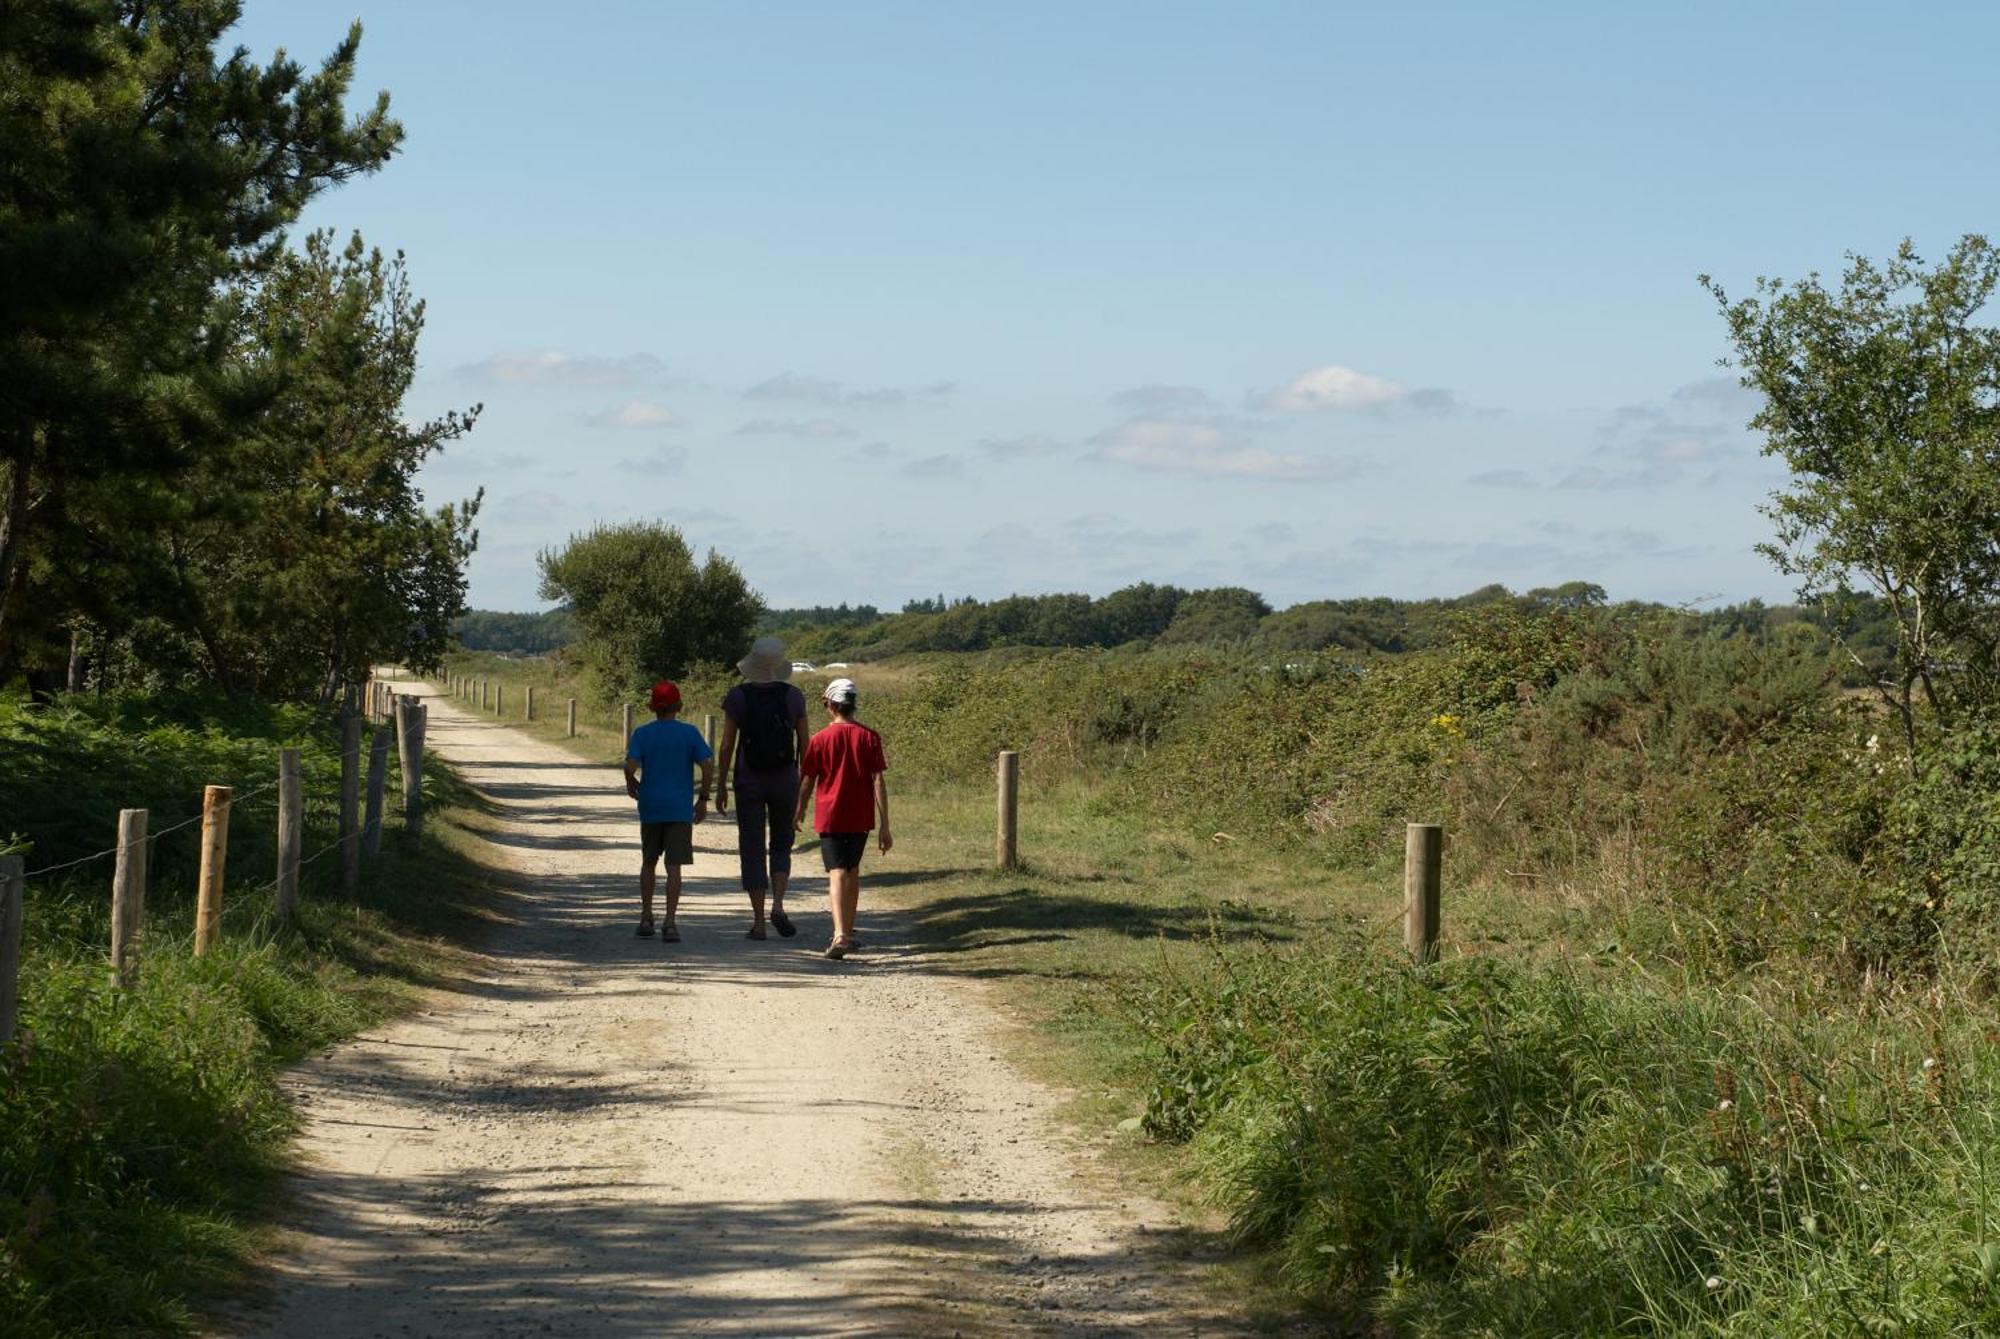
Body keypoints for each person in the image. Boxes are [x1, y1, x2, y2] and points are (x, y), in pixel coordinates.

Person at [714, 637, 811, 939]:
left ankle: (758, 922)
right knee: (782, 844)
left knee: (752, 847)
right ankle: (779, 905)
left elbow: (728, 744)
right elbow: (806, 747)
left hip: (749, 780)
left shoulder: (738, 697)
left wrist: (721, 785)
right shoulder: (794, 697)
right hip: (786, 780)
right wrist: (807, 786)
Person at [794, 677, 890, 960]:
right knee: (852, 870)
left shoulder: (820, 739)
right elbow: (878, 781)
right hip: (860, 815)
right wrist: (885, 824)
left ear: (831, 705)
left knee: (837, 872)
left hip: (830, 814)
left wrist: (799, 809)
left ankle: (839, 935)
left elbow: (808, 780)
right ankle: (847, 931)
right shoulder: (870, 737)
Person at [623, 679, 714, 943]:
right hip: (678, 809)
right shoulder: (689, 733)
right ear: (678, 705)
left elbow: (630, 766)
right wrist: (703, 798)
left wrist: (632, 783)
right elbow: (707, 766)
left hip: (651, 805)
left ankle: (646, 915)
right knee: (674, 867)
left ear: (653, 707)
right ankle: (670, 922)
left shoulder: (642, 733)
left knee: (649, 861)